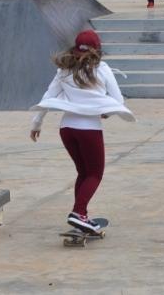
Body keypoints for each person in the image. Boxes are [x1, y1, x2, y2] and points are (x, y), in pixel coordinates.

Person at [29, 29, 135, 234]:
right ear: (98, 49)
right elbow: (118, 100)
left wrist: (36, 124)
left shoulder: (64, 70)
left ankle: (81, 215)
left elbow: (48, 96)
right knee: (95, 174)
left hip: (67, 129)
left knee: (84, 173)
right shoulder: (101, 68)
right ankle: (78, 213)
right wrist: (105, 112)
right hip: (89, 130)